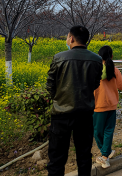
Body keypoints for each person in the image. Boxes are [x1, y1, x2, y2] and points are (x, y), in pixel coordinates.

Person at [46, 26, 103, 176]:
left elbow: (50, 85)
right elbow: (96, 84)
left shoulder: (59, 57)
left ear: (71, 38)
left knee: (56, 158)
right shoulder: (96, 60)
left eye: (67, 37)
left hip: (61, 115)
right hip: (85, 114)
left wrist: (59, 99)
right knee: (84, 157)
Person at [93, 46, 122, 168]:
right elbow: (121, 86)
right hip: (112, 106)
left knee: (98, 132)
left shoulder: (95, 70)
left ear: (99, 56)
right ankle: (106, 153)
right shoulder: (115, 70)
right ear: (111, 56)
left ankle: (104, 156)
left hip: (98, 106)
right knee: (108, 131)